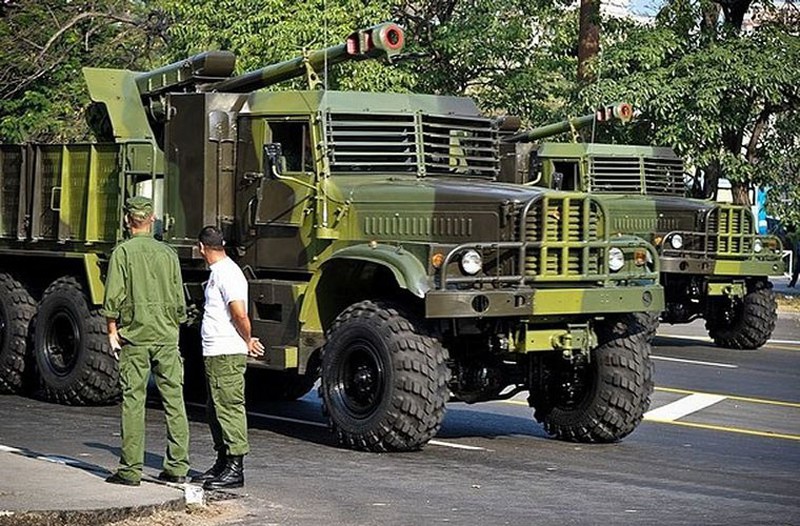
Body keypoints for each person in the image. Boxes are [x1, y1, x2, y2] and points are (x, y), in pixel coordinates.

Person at [101, 196, 190, 486]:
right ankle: (177, 466)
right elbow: (179, 300)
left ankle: (130, 470)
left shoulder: (123, 253)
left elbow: (113, 297)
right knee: (174, 402)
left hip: (135, 337)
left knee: (133, 401)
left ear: (128, 220)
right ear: (152, 219)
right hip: (166, 336)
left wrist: (112, 330)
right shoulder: (168, 254)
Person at [192, 226, 264, 489]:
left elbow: (239, 313)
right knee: (216, 408)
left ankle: (235, 467)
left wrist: (248, 339)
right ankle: (222, 462)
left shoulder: (228, 273)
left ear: (202, 248)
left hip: (226, 352)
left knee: (229, 407)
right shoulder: (219, 272)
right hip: (216, 351)